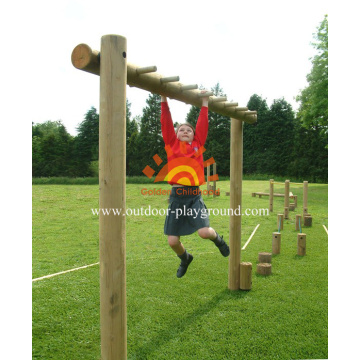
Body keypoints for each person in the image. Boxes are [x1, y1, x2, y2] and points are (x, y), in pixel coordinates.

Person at [160, 92, 230, 278]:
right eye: (181, 129)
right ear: (175, 135)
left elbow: (202, 125)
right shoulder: (171, 144)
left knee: (204, 232)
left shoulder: (198, 144)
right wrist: (163, 99)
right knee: (173, 241)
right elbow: (166, 123)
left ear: (194, 135)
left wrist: (205, 103)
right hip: (176, 198)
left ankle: (219, 240)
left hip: (193, 197)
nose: (185, 131)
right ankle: (185, 258)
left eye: (188, 130)